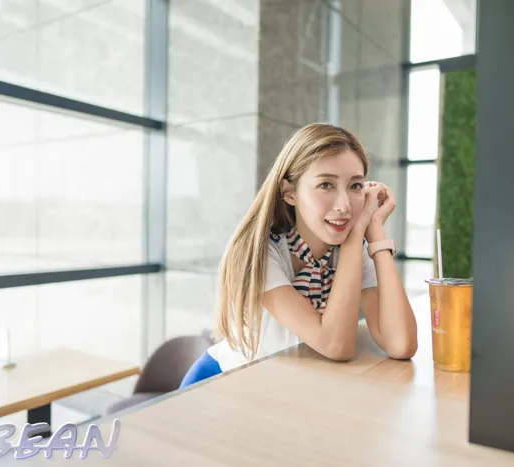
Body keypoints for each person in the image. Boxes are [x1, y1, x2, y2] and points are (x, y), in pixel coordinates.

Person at [179, 123, 418, 387]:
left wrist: (375, 234)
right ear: (289, 192)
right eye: (326, 185)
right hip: (220, 383)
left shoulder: (354, 248)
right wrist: (356, 233)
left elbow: (401, 344)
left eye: (355, 186)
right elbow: (336, 345)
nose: (344, 205)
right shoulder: (262, 252)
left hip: (288, 387)